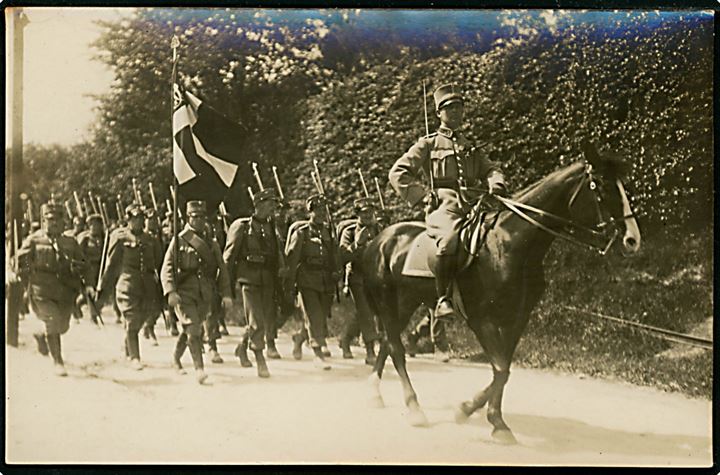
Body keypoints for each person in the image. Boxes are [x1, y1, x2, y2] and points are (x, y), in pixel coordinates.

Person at [388, 83, 508, 321]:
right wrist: (422, 195)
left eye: (459, 108)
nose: (455, 112)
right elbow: (397, 173)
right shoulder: (428, 144)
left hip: (476, 203)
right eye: (449, 108)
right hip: (443, 205)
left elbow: (492, 169)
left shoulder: (470, 145)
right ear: (438, 113)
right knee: (449, 239)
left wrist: (496, 183)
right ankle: (443, 298)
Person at [160, 200, 232, 384]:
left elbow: (221, 269)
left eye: (202, 217)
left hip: (205, 294)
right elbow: (167, 268)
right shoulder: (179, 240)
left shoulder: (211, 242)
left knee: (192, 328)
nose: (199, 220)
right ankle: (199, 369)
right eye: (195, 217)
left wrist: (226, 294)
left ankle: (176, 358)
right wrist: (170, 291)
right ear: (188, 218)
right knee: (193, 329)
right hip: (184, 293)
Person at [15, 202, 89, 376]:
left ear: (63, 222)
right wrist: (26, 278)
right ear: (43, 221)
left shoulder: (70, 242)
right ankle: (58, 360)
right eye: (50, 219)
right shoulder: (34, 240)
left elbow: (83, 265)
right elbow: (21, 260)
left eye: (58, 219)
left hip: (64, 291)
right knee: (52, 319)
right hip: (42, 289)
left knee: (62, 326)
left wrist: (85, 282)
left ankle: (42, 336)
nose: (54, 223)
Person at [223, 188, 284, 377]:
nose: (272, 209)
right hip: (248, 279)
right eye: (269, 205)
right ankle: (260, 359)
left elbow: (276, 254)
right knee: (256, 320)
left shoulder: (271, 227)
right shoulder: (242, 226)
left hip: (267, 279)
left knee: (261, 320)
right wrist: (226, 285)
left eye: (273, 205)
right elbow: (229, 257)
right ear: (258, 205)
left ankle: (242, 347)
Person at [97, 203, 163, 370]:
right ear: (128, 220)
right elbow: (111, 264)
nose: (139, 222)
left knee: (143, 317)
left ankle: (128, 345)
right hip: (127, 283)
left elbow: (159, 263)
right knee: (132, 319)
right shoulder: (119, 237)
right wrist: (103, 286)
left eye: (141, 219)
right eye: (135, 219)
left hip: (147, 285)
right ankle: (135, 357)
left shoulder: (151, 240)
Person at [285, 195, 340, 370]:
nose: (322, 214)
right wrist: (290, 284)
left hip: (324, 280)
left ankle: (299, 338)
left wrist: (336, 272)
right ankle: (318, 354)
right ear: (310, 212)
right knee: (314, 315)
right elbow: (293, 259)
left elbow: (334, 255)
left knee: (320, 317)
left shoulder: (328, 232)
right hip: (307, 280)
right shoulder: (302, 232)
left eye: (324, 210)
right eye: (318, 210)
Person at [338, 197, 381, 365]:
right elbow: (343, 256)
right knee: (365, 312)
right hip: (357, 277)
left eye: (370, 212)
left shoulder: (378, 229)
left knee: (367, 312)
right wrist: (357, 244)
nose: (368, 215)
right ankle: (370, 350)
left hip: (375, 277)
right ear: (357, 214)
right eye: (364, 213)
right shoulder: (349, 231)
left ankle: (346, 339)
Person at [140, 208, 165, 347]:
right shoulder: (142, 237)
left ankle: (148, 325)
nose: (153, 222)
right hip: (142, 275)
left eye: (155, 220)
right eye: (150, 219)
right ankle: (148, 328)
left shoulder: (158, 236)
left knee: (157, 304)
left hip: (156, 274)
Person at [77, 214, 105, 325]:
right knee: (90, 292)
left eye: (97, 225)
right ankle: (94, 316)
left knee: (100, 292)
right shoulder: (84, 238)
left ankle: (78, 304)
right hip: (88, 268)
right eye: (92, 225)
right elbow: (78, 254)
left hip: (100, 268)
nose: (94, 227)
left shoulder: (104, 237)